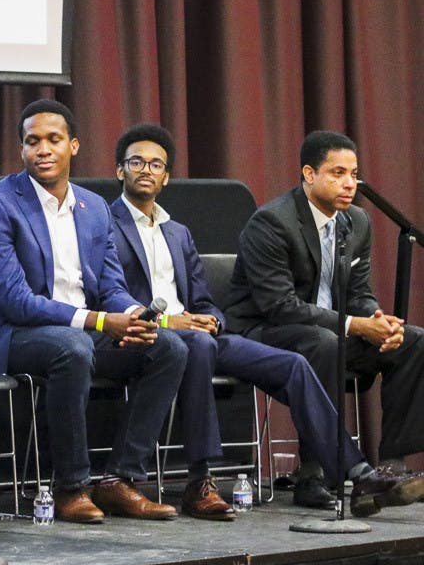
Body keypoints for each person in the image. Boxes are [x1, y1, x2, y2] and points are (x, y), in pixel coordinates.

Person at [110, 124, 420, 516]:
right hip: (167, 333)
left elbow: (205, 299)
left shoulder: (178, 232)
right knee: (313, 343)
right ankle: (204, 480)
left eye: (156, 164)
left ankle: (375, 469)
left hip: (214, 336)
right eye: (137, 162)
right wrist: (171, 324)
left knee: (385, 344)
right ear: (119, 170)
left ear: (168, 175)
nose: (349, 183)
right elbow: (112, 293)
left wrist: (209, 318)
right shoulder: (104, 225)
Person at [0, 99, 187, 524]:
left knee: (169, 347)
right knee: (72, 348)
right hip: (11, 334)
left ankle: (121, 481)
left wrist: (137, 315)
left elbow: (110, 287)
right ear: (22, 151)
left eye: (53, 140)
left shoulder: (93, 207)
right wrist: (103, 321)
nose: (43, 149)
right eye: (32, 142)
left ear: (74, 146)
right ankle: (70, 487)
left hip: (79, 331)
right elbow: (16, 300)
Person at [223, 130, 424, 516]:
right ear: (308, 174)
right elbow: (279, 306)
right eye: (337, 173)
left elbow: (360, 291)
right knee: (323, 343)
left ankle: (390, 467)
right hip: (264, 332)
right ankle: (312, 474)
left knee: (412, 340)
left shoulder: (357, 222)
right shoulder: (272, 222)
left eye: (353, 173)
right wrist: (354, 325)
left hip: (328, 329)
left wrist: (377, 320)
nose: (350, 183)